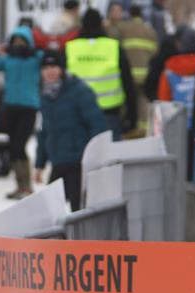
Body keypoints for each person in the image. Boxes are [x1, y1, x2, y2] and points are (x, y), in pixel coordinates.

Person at [34, 51, 109, 211]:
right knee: (50, 209)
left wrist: (96, 157)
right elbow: (43, 131)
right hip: (58, 161)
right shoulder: (44, 95)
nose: (50, 71)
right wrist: (39, 164)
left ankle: (78, 236)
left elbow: (97, 124)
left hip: (79, 162)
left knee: (78, 208)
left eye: (54, 66)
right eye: (46, 67)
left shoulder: (79, 91)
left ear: (62, 69)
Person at [0, 26, 42, 198]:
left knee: (19, 145)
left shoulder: (35, 59)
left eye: (22, 42)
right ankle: (20, 185)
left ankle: (26, 186)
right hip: (10, 107)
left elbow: (48, 58)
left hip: (29, 107)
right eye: (15, 42)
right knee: (13, 147)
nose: (18, 45)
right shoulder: (8, 59)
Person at [66, 9, 138, 139]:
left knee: (81, 157)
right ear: (101, 24)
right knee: (110, 157)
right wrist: (132, 116)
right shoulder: (114, 47)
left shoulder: (70, 48)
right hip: (109, 114)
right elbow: (128, 83)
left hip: (77, 114)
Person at [107, 4, 158, 135]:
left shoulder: (123, 28)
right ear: (141, 15)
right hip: (144, 73)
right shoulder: (150, 31)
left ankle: (128, 129)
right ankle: (144, 130)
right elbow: (155, 53)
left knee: (126, 101)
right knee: (143, 101)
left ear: (129, 14)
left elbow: (111, 38)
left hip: (128, 74)